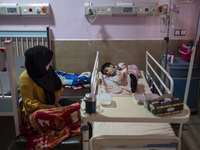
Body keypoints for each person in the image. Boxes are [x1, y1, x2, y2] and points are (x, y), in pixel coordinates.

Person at [19, 46, 81, 150]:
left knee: (80, 107)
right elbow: (29, 103)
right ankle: (65, 118)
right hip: (35, 111)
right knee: (41, 115)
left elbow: (57, 86)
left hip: (52, 103)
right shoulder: (25, 78)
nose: (50, 63)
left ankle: (63, 116)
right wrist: (49, 107)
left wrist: (56, 102)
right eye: (48, 61)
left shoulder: (48, 71)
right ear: (39, 62)